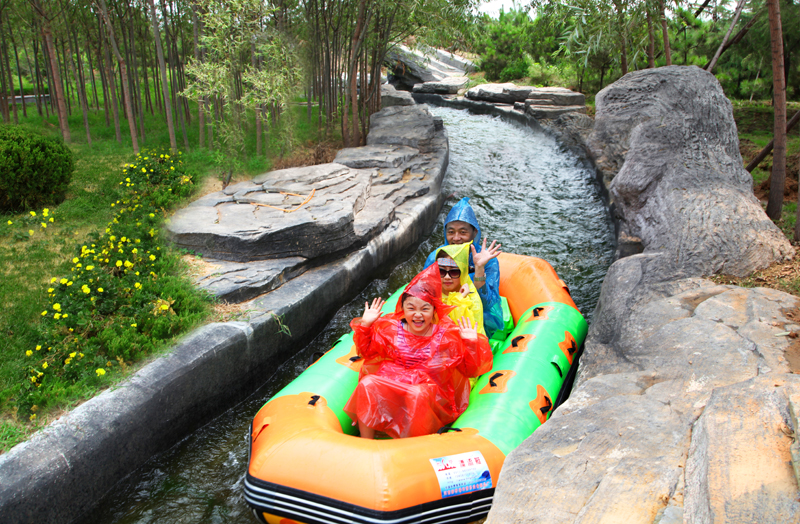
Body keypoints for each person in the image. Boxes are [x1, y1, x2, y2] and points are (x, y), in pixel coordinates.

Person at [344, 264, 493, 439]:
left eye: (425, 309)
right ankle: (366, 441)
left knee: (416, 394)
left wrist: (471, 344)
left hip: (429, 391)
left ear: (434, 310)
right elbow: (367, 353)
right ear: (403, 308)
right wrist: (366, 325)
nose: (417, 315)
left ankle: (409, 444)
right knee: (367, 383)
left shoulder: (446, 336)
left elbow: (470, 370)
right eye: (411, 308)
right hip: (393, 379)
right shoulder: (390, 328)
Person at [424, 197, 503, 335]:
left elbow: (488, 303)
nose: (456, 238)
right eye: (451, 232)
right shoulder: (436, 257)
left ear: (474, 233)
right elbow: (425, 293)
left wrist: (479, 269)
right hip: (444, 309)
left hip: (477, 311)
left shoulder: (488, 260)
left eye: (463, 232)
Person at [435, 243, 485, 336]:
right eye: (441, 271)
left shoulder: (472, 299)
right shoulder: (430, 292)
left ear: (463, 272)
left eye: (454, 272)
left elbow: (472, 335)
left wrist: (459, 300)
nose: (447, 277)